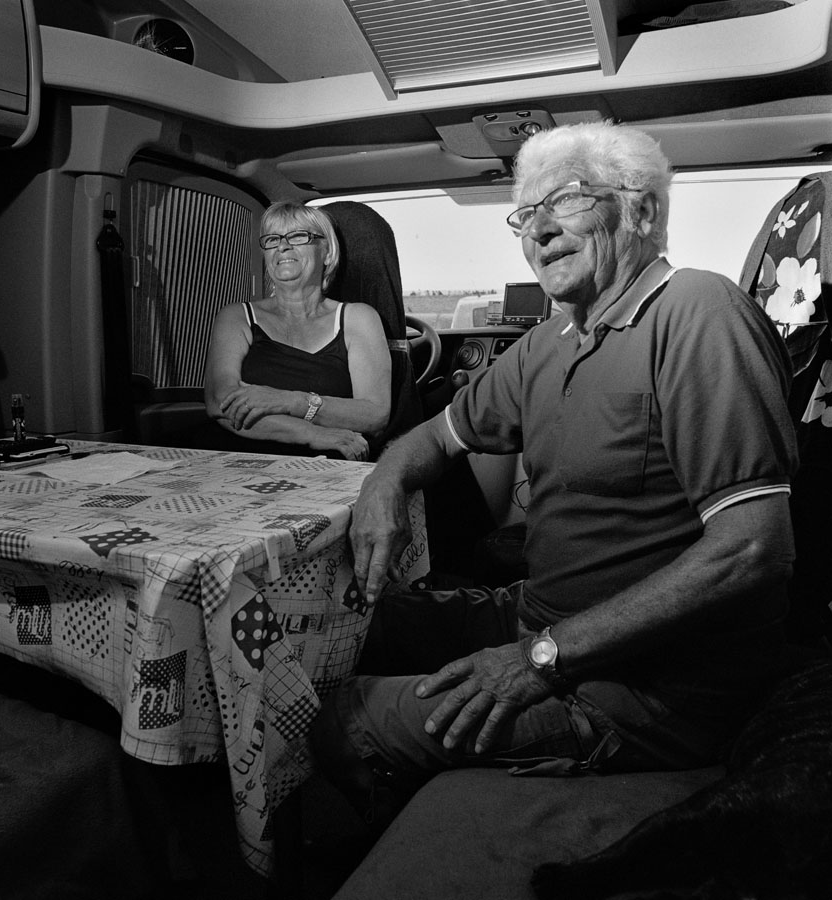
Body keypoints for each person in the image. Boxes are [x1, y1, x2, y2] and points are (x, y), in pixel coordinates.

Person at [311, 121, 799, 825]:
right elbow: (434, 437)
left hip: (644, 690)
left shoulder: (699, 313)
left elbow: (754, 549)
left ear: (641, 211)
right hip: (539, 620)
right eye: (525, 214)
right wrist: (385, 483)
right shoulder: (548, 343)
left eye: (565, 200)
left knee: (337, 713)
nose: (538, 230)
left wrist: (541, 658)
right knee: (345, 621)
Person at [203, 201, 391, 461]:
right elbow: (221, 403)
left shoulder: (358, 318)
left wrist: (288, 401)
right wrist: (312, 433)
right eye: (272, 239)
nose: (282, 246)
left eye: (298, 236)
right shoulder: (236, 317)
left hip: (329, 470)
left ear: (327, 252)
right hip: (243, 464)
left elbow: (375, 415)